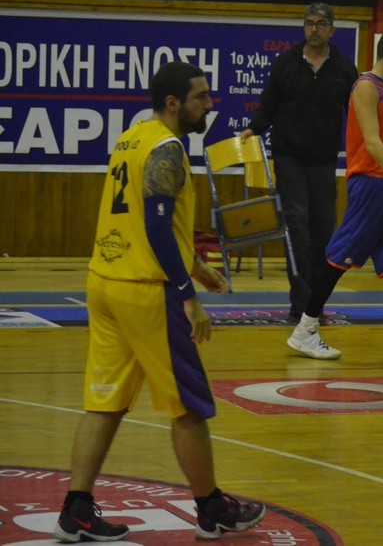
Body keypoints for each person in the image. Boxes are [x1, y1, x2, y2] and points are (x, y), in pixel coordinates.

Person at [55, 62, 264, 543]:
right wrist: (188, 295)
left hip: (105, 281)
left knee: (104, 402)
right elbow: (154, 226)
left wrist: (195, 264)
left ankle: (76, 509)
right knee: (187, 406)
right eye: (200, 97)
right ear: (173, 104)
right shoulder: (167, 147)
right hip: (147, 292)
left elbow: (140, 221)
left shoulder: (133, 137)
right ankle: (212, 508)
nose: (209, 104)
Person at [287, 29, 383, 362]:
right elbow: (372, 143)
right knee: (339, 258)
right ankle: (305, 330)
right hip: (371, 183)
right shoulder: (366, 86)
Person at [240, 3, 358, 321]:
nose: (314, 29)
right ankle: (301, 303)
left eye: (320, 23)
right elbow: (268, 105)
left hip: (324, 160)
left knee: (323, 230)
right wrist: (253, 128)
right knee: (297, 225)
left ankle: (315, 303)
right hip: (288, 156)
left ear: (332, 29)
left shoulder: (344, 68)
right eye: (309, 23)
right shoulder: (285, 63)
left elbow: (358, 112)